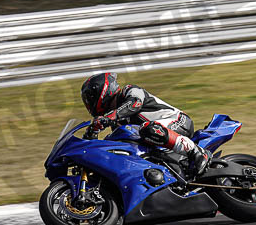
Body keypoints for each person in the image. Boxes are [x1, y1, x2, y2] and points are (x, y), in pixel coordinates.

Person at [80, 72, 211, 176]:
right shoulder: (116, 121)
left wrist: (109, 117)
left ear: (102, 91)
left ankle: (197, 152)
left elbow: (135, 103)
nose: (88, 103)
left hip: (178, 121)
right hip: (157, 138)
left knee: (148, 129)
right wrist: (91, 136)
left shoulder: (129, 90)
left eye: (90, 97)